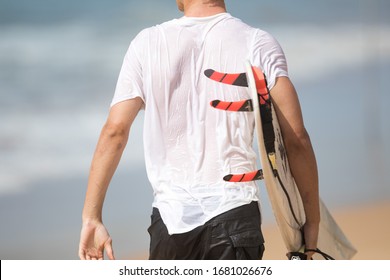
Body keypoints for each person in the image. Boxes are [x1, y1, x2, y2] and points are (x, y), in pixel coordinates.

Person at [78, 0, 320, 260]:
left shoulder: (146, 44)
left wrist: (92, 217)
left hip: (171, 223)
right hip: (236, 215)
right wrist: (311, 220)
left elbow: (115, 131)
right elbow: (296, 138)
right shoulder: (257, 42)